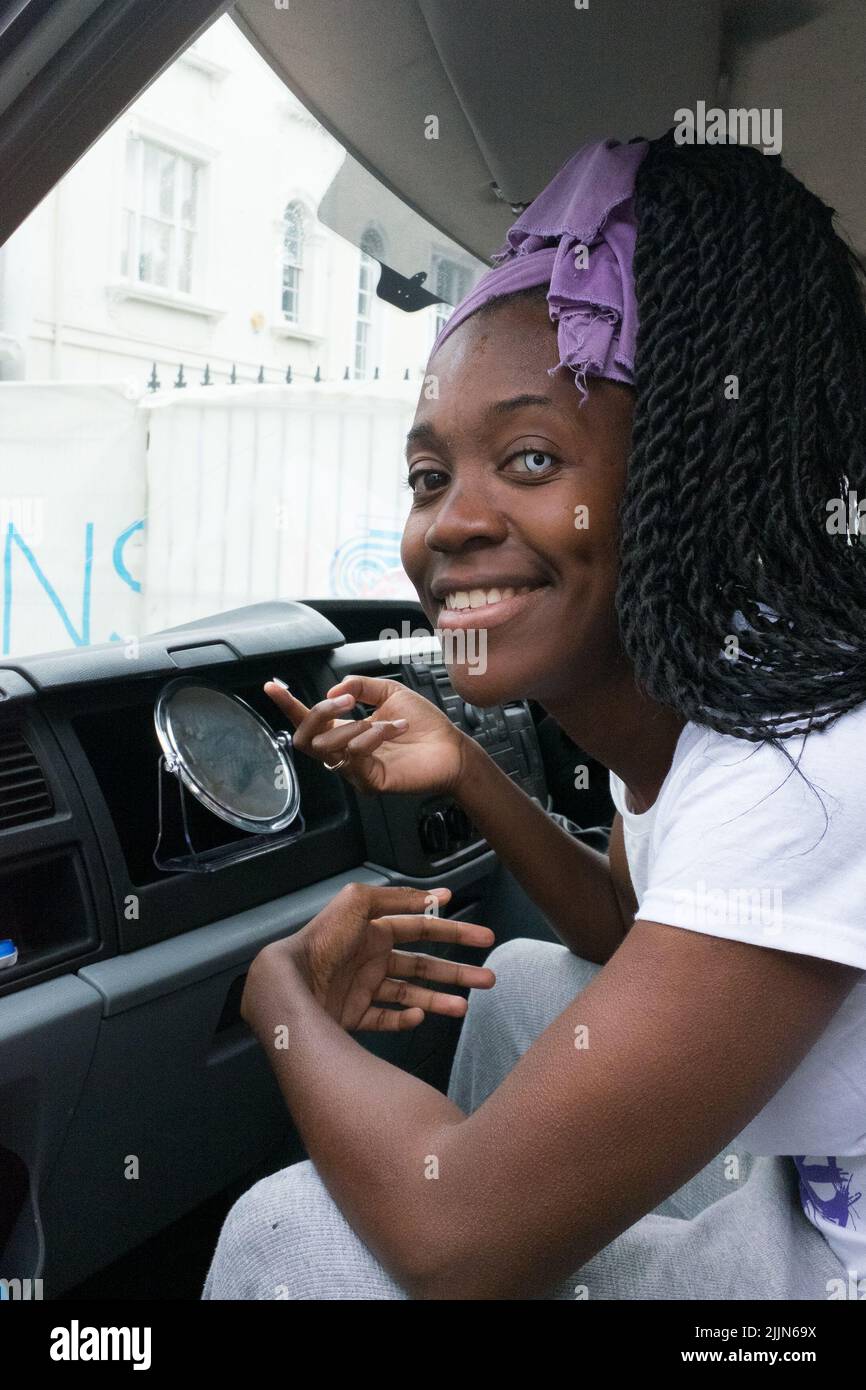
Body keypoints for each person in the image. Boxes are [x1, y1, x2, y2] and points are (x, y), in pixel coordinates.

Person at [201, 129, 866, 1301]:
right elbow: (627, 923)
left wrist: (277, 992)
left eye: (524, 457)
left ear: (687, 465)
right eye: (425, 477)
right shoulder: (724, 682)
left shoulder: (806, 760)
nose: (446, 525)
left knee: (287, 1235)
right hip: (810, 1199)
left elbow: (459, 1244)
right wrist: (464, 763)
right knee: (525, 982)